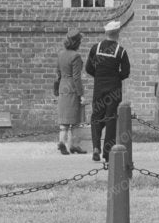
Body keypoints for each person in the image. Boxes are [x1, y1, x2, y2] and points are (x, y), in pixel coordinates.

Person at [85, 19, 131, 162]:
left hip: (99, 88)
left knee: (96, 117)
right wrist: (115, 78)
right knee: (111, 119)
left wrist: (99, 76)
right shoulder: (121, 51)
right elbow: (126, 72)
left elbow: (88, 68)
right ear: (117, 33)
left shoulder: (95, 48)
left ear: (106, 33)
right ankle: (107, 152)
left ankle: (95, 148)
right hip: (114, 89)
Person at [53, 30, 86, 155]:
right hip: (72, 88)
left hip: (63, 87)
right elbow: (76, 77)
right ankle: (74, 145)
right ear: (77, 42)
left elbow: (57, 74)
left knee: (64, 120)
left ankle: (62, 142)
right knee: (75, 120)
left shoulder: (60, 54)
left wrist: (56, 90)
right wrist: (81, 94)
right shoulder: (76, 56)